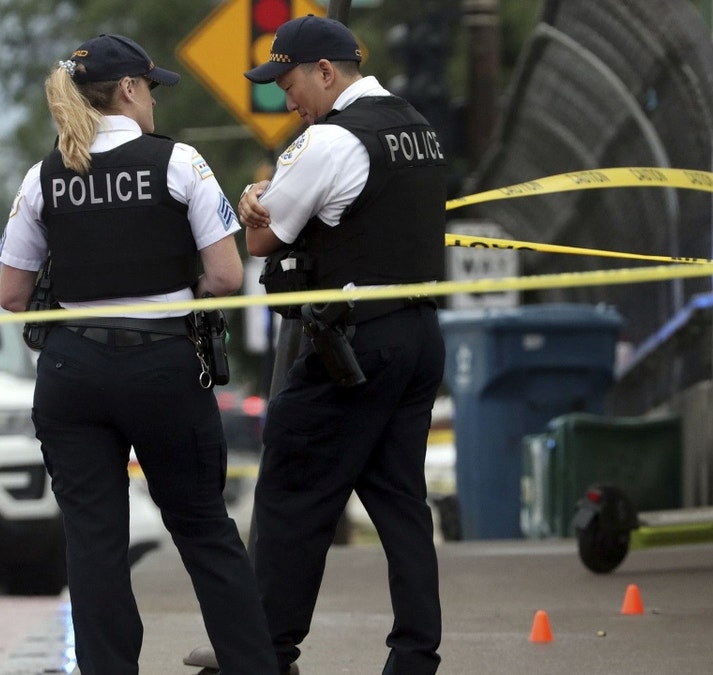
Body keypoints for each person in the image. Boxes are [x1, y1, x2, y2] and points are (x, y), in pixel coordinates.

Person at [0, 34, 277, 675]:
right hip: (162, 367)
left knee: (94, 539)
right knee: (203, 525)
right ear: (127, 89)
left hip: (71, 372)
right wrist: (186, 285)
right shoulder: (179, 162)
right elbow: (229, 277)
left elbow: (12, 293)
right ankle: (253, 664)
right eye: (150, 87)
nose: (153, 100)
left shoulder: (44, 174)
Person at [241, 14, 448, 675]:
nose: (285, 99)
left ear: (326, 72)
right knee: (400, 501)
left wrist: (253, 199)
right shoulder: (415, 126)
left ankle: (265, 649)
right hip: (418, 335)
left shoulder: (330, 142)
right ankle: (415, 655)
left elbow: (264, 238)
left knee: (289, 487)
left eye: (289, 81)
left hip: (353, 343)